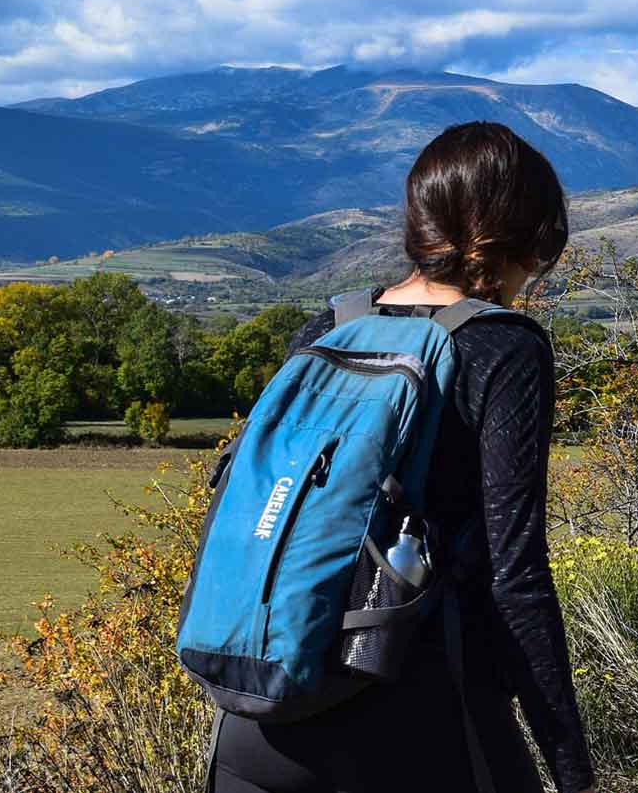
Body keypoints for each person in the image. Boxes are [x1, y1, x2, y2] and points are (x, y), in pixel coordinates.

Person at [210, 122, 595, 793]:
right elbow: (517, 578)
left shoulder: (328, 329)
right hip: (419, 718)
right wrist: (570, 765)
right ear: (528, 236)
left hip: (259, 717)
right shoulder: (503, 349)